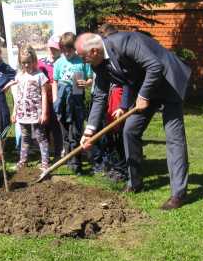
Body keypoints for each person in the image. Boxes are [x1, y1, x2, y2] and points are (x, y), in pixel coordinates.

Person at [76, 31, 191, 210]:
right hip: (145, 88)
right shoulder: (99, 65)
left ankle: (179, 193)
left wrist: (144, 95)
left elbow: (155, 66)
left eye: (84, 57)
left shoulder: (124, 42)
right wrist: (89, 131)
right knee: (130, 130)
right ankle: (135, 182)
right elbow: (99, 96)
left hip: (169, 82)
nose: (84, 62)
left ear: (94, 51)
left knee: (173, 137)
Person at [53, 32, 93, 175]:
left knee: (75, 132)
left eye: (69, 50)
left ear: (75, 48)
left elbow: (90, 79)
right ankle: (69, 160)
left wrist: (86, 83)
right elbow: (55, 81)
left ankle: (77, 163)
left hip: (76, 100)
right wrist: (55, 99)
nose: (67, 53)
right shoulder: (58, 63)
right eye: (64, 51)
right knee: (65, 132)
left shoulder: (82, 61)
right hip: (62, 101)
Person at [12, 45, 50, 171]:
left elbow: (44, 95)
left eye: (29, 62)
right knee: (25, 137)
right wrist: (14, 111)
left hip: (36, 113)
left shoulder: (40, 76)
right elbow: (18, 96)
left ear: (34, 60)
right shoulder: (19, 76)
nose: (26, 65)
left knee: (40, 137)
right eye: (23, 63)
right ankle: (23, 160)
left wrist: (44, 113)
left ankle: (45, 161)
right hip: (23, 113)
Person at [37, 35, 63, 160]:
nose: (53, 51)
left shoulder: (63, 62)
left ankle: (58, 152)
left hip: (57, 99)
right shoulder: (40, 63)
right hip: (43, 100)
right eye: (51, 48)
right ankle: (45, 154)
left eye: (56, 49)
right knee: (44, 127)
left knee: (56, 126)